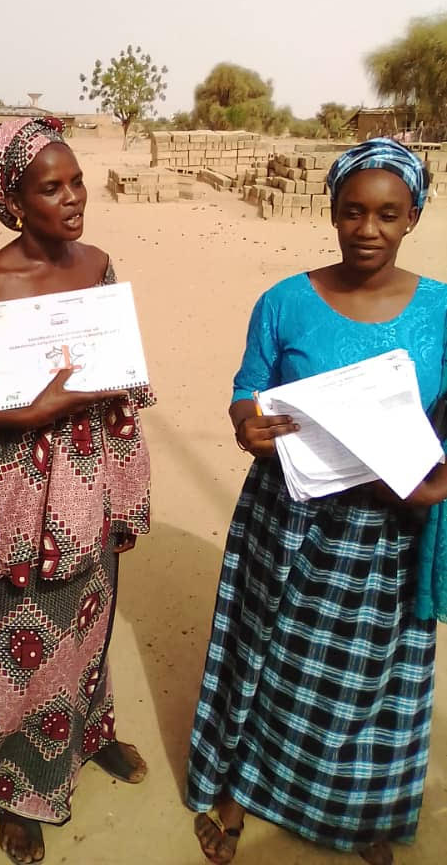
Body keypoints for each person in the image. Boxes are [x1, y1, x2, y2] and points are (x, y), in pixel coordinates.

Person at [187, 139, 447, 865]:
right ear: (332, 213)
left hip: (389, 529)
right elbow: (248, 387)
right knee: (267, 656)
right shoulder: (284, 302)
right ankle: (239, 792)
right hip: (289, 519)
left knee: (367, 681)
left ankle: (355, 809)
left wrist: (439, 479)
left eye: (387, 214)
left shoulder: (441, 310)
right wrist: (246, 424)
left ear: (413, 217)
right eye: (353, 212)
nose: (368, 229)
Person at [0, 117, 155, 863]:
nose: (73, 197)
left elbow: (117, 380)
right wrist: (17, 415)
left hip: (96, 484)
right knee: (13, 650)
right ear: (14, 202)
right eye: (51, 188)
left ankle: (87, 735)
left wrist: (125, 488)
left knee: (87, 626)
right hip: (23, 501)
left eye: (77, 181)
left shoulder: (98, 265)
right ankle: (5, 787)